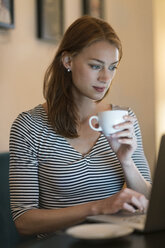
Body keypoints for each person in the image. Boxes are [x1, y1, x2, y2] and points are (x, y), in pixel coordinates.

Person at [9, 16, 151, 237]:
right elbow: (24, 220)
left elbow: (149, 203)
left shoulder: (123, 118)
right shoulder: (29, 126)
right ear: (67, 61)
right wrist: (97, 208)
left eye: (112, 67)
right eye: (95, 66)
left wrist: (126, 160)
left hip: (115, 241)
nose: (105, 77)